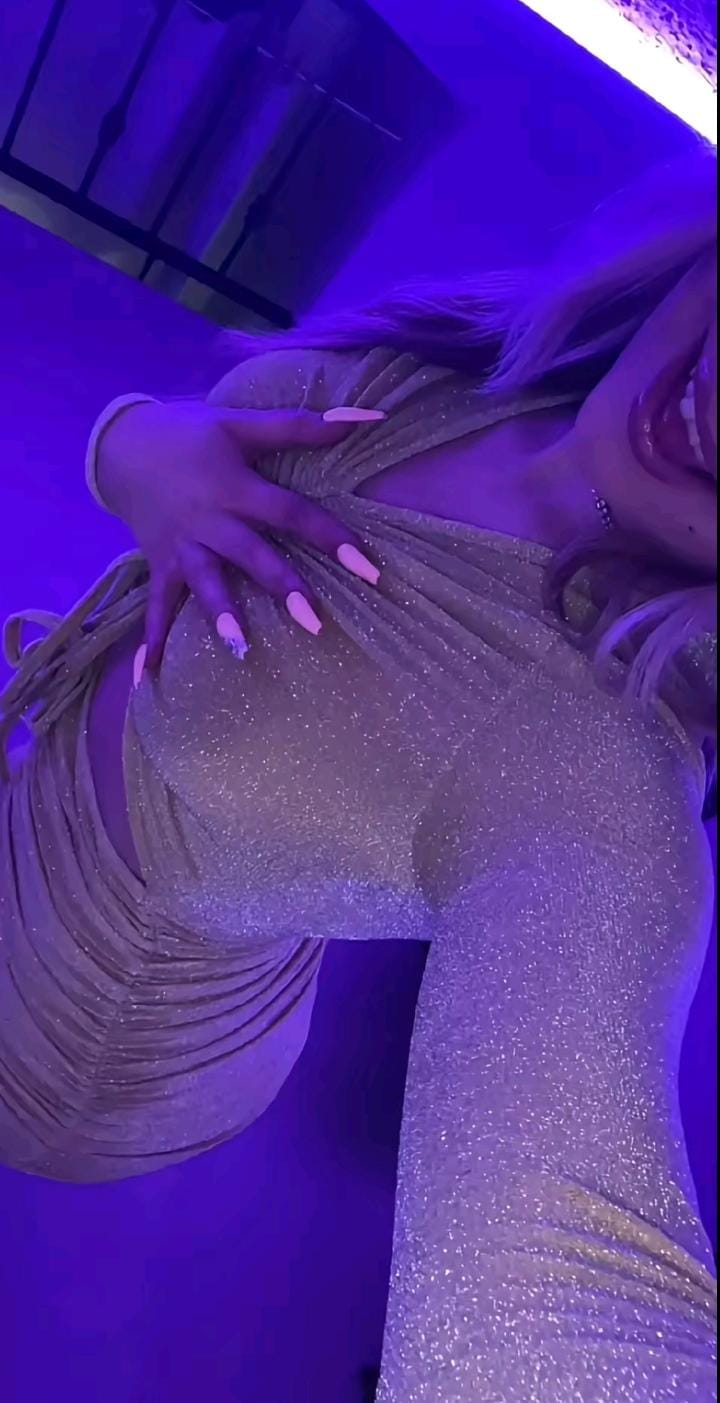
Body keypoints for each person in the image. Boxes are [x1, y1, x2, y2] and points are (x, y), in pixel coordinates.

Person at [0, 145, 717, 1401]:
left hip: (69, 1022)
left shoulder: (599, 769)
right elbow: (175, 433)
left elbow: (566, 1292)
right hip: (34, 760)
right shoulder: (481, 362)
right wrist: (143, 453)